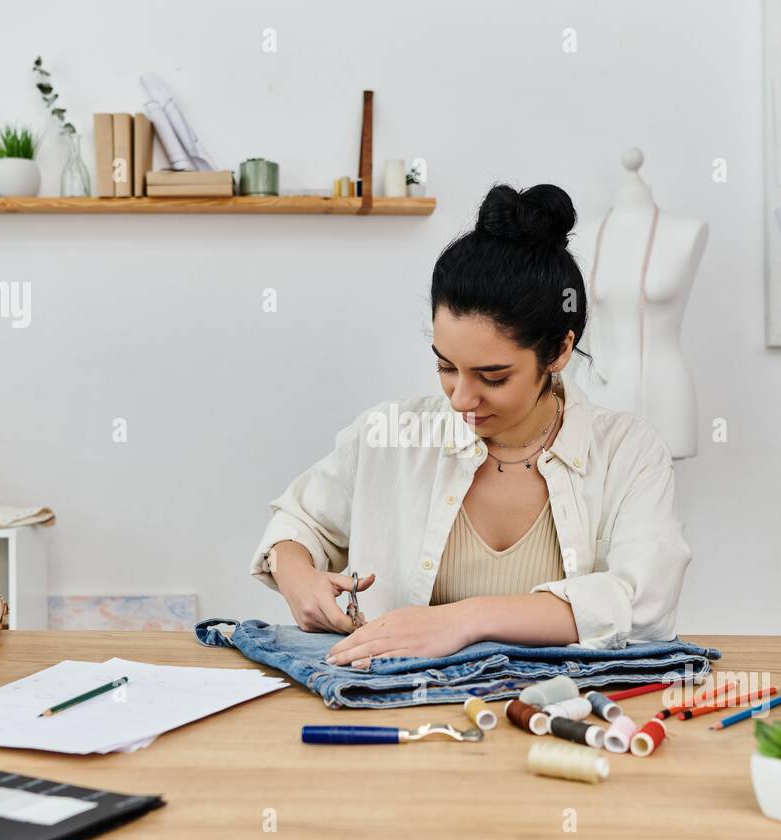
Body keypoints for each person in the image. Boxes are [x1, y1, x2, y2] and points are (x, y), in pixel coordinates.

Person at [250, 183, 692, 666]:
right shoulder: (390, 433)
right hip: (394, 713)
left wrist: (462, 621)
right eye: (446, 367)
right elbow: (298, 523)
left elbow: (644, 605)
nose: (461, 398)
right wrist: (298, 578)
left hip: (559, 713)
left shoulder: (628, 451)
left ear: (561, 349)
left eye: (493, 376)